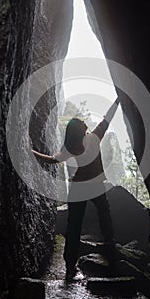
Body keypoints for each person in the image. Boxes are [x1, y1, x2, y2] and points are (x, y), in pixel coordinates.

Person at [31, 97, 120, 280]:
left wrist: (31, 152)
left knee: (74, 227)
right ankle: (110, 245)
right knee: (104, 212)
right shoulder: (94, 138)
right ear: (82, 129)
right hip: (95, 186)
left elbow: (51, 159)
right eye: (82, 122)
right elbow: (107, 118)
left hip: (78, 188)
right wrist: (118, 101)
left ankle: (70, 267)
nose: (84, 121)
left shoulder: (71, 148)